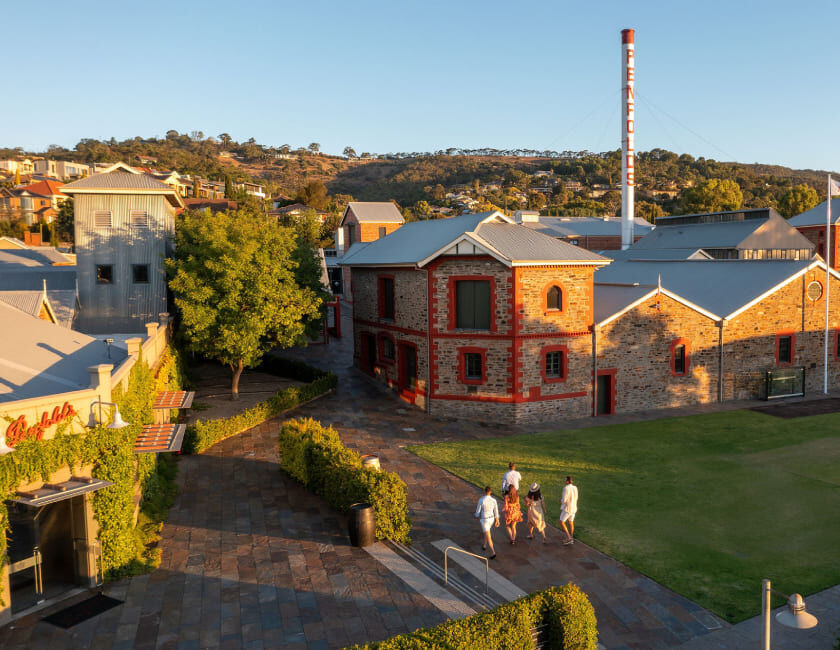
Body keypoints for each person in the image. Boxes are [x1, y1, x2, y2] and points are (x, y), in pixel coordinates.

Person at [474, 486, 500, 559]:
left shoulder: (481, 500)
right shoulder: (494, 500)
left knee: (489, 536)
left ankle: (493, 552)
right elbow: (496, 511)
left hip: (485, 520)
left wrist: (475, 515)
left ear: (484, 491)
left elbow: (477, 512)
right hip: (492, 519)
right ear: (490, 492)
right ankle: (484, 545)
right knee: (486, 532)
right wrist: (497, 520)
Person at [558, 475, 578, 545]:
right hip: (574, 508)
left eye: (565, 480)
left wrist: (560, 500)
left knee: (561, 522)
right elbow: (576, 497)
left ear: (567, 481)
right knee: (571, 522)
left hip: (567, 509)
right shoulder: (575, 487)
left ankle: (569, 538)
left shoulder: (565, 488)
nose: (564, 481)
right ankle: (571, 537)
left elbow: (564, 500)